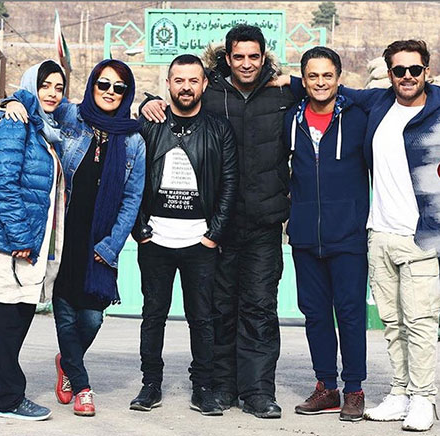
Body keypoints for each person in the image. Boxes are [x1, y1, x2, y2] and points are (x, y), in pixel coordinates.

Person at [141, 24, 295, 419]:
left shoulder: (282, 93)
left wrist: (294, 80)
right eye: (238, 56)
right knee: (219, 309)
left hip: (263, 222)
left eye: (253, 56)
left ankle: (258, 391)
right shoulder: (211, 92)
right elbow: (179, 99)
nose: (246, 63)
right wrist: (148, 103)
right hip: (219, 225)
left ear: (264, 56)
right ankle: (222, 386)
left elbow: (329, 92)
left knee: (259, 307)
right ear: (227, 58)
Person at [5, 59, 146, 417]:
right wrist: (13, 102)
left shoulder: (133, 140)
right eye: (103, 84)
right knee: (66, 317)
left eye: (118, 87)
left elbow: (132, 199)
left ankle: (67, 361)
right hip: (64, 236)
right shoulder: (72, 116)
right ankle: (82, 387)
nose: (110, 92)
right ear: (92, 85)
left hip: (101, 242)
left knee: (92, 319)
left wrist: (112, 245)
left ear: (126, 93)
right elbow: (39, 101)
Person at [333, 40, 440, 433]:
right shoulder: (378, 104)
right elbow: (332, 87)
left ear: (427, 71)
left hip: (421, 236)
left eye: (415, 69)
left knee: (421, 323)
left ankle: (424, 398)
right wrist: (284, 81)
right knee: (392, 323)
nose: (407, 77)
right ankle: (400, 393)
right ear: (390, 73)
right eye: (399, 70)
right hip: (380, 233)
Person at [130, 54, 237, 416]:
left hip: (199, 241)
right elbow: (130, 177)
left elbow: (229, 184)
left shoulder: (219, 129)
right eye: (179, 80)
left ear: (204, 84)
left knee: (202, 318)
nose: (186, 87)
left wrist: (214, 234)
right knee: (153, 316)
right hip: (155, 239)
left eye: (193, 80)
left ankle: (202, 388)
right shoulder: (150, 125)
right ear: (168, 84)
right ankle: (150, 385)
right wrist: (140, 229)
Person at [283, 47, 369, 422]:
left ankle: (354, 390)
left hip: (348, 236)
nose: (320, 82)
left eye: (327, 75)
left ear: (338, 78)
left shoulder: (358, 117)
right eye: (313, 76)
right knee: (315, 315)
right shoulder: (290, 118)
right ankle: (327, 388)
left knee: (350, 315)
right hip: (305, 235)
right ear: (303, 80)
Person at [0, 60, 67, 421]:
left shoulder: (43, 128)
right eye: (44, 85)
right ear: (30, 86)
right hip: (10, 245)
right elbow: (0, 183)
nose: (52, 93)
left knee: (12, 319)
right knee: (7, 322)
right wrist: (21, 236)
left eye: (59, 87)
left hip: (28, 243)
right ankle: (7, 399)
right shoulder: (16, 123)